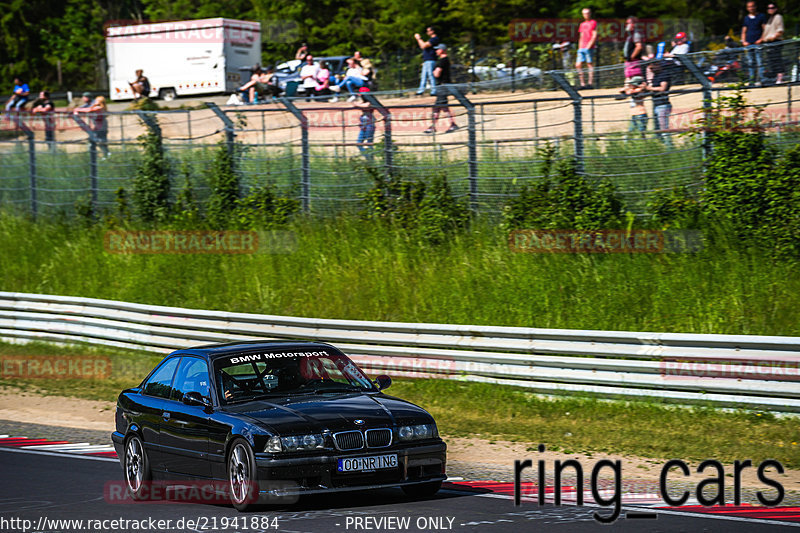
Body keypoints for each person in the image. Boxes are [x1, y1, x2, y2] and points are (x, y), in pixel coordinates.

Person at [424, 44, 458, 134]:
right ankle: (435, 126)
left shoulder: (442, 61)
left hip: (442, 86)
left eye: (437, 49)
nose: (436, 51)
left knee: (440, 107)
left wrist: (433, 72)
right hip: (443, 86)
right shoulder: (445, 60)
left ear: (442, 50)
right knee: (439, 107)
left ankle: (450, 125)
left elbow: (437, 74)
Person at [646, 61, 672, 146]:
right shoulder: (655, 76)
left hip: (663, 104)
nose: (651, 70)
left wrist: (648, 88)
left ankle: (669, 146)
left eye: (652, 68)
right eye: (650, 69)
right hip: (657, 104)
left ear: (658, 65)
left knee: (664, 128)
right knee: (658, 128)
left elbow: (662, 88)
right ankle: (661, 146)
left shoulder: (664, 74)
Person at [741, 0, 767, 85]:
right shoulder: (746, 18)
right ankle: (751, 80)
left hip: (758, 43)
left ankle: (761, 79)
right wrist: (744, 41)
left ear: (755, 7)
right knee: (750, 62)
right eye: (749, 7)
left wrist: (761, 39)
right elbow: (744, 31)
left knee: (760, 61)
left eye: (752, 6)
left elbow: (765, 29)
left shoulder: (761, 16)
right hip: (749, 43)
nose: (751, 8)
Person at [576, 7, 598, 90]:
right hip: (582, 47)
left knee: (589, 64)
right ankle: (582, 84)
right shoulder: (582, 24)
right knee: (578, 65)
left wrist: (589, 46)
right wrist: (579, 47)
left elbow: (594, 35)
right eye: (584, 13)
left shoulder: (593, 22)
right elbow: (581, 36)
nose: (586, 15)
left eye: (587, 13)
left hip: (589, 47)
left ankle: (590, 83)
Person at [414, 27, 440, 95]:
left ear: (432, 31)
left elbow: (423, 46)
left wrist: (418, 38)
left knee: (431, 75)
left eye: (428, 31)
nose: (427, 32)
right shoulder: (431, 39)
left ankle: (434, 90)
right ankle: (421, 90)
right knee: (423, 76)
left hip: (431, 60)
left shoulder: (435, 39)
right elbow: (422, 45)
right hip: (426, 60)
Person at [763, 3, 785, 84]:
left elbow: (780, 30)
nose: (770, 9)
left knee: (777, 60)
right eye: (769, 8)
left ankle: (780, 79)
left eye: (772, 8)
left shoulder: (778, 17)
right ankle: (775, 78)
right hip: (769, 43)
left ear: (776, 8)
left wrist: (773, 37)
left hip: (775, 42)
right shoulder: (770, 19)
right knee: (771, 61)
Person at [355, 88, 375, 160]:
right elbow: (357, 104)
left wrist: (358, 104)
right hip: (363, 125)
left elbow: (366, 105)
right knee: (359, 143)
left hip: (369, 125)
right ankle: (368, 157)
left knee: (369, 143)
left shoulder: (371, 101)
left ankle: (371, 160)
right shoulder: (363, 101)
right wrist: (358, 104)